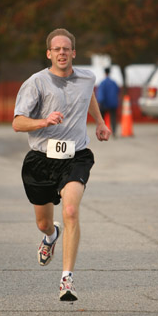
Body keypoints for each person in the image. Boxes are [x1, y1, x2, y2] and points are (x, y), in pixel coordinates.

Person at [12, 28, 111, 301]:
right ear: (49, 54)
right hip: (41, 160)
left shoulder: (87, 77)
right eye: (57, 49)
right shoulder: (36, 83)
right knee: (43, 222)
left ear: (74, 53)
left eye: (66, 48)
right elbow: (17, 122)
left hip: (75, 156)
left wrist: (100, 122)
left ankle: (67, 279)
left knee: (70, 210)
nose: (62, 53)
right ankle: (51, 235)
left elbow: (87, 94)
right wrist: (44, 121)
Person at [96, 67, 119, 137]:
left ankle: (102, 132)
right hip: (113, 103)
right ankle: (114, 132)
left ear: (105, 73)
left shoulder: (103, 83)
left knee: (102, 119)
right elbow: (117, 91)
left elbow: (100, 94)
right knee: (113, 118)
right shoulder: (114, 82)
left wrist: (100, 102)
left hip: (104, 104)